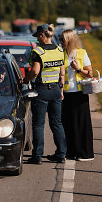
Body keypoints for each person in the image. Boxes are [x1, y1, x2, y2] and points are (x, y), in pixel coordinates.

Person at [23, 24, 67, 164]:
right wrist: (61, 90)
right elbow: (62, 72)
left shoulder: (39, 52)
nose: (37, 40)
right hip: (55, 90)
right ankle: (61, 154)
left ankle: (37, 156)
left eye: (38, 37)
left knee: (38, 124)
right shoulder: (59, 50)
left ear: (42, 35)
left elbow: (35, 71)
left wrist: (25, 79)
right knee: (57, 124)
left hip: (41, 91)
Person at [60, 29, 94, 161]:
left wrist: (78, 69)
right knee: (67, 124)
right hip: (66, 94)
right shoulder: (61, 54)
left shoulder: (82, 53)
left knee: (81, 124)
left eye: (63, 39)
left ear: (69, 40)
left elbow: (90, 74)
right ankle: (71, 152)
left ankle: (85, 153)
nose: (61, 42)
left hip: (79, 93)